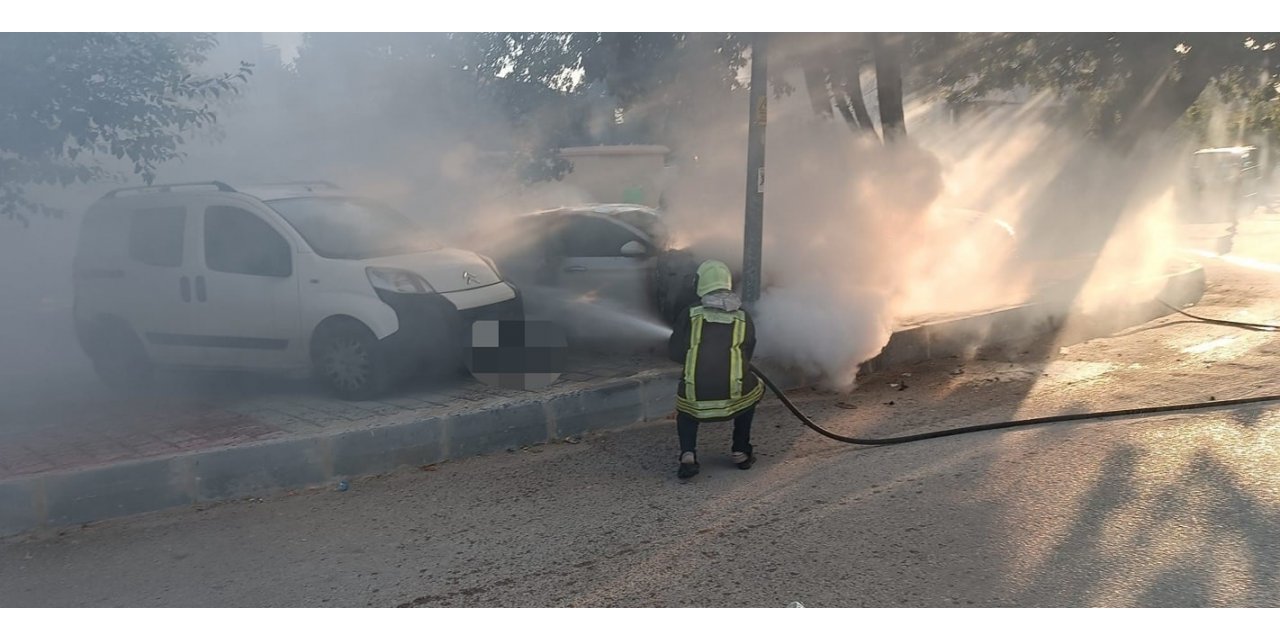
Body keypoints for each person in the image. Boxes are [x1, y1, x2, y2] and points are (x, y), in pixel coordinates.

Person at [667, 260, 764, 479]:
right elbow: (748, 352)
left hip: (696, 390)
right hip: (734, 390)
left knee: (686, 411)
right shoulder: (743, 316)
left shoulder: (690, 314)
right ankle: (740, 451)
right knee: (754, 391)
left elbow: (674, 353)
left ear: (700, 283)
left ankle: (688, 455)